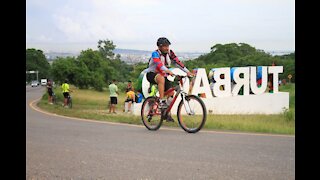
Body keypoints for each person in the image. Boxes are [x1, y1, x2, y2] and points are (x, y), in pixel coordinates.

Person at [145, 37, 193, 122]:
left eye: (168, 46)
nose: (167, 48)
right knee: (161, 78)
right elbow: (159, 64)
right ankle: (161, 101)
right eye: (164, 46)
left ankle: (166, 113)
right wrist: (166, 70)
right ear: (159, 47)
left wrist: (187, 72)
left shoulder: (170, 53)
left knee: (171, 93)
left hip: (163, 75)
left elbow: (178, 62)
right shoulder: (155, 54)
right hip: (152, 74)